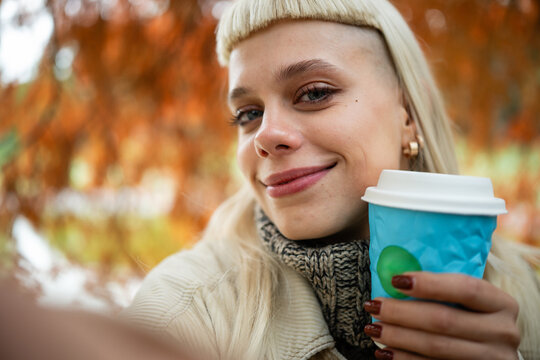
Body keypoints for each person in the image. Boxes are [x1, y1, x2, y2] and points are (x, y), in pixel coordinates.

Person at [124, 1, 540, 359]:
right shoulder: (184, 312)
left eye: (315, 92)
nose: (265, 136)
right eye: (249, 114)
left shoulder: (533, 290)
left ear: (408, 115)